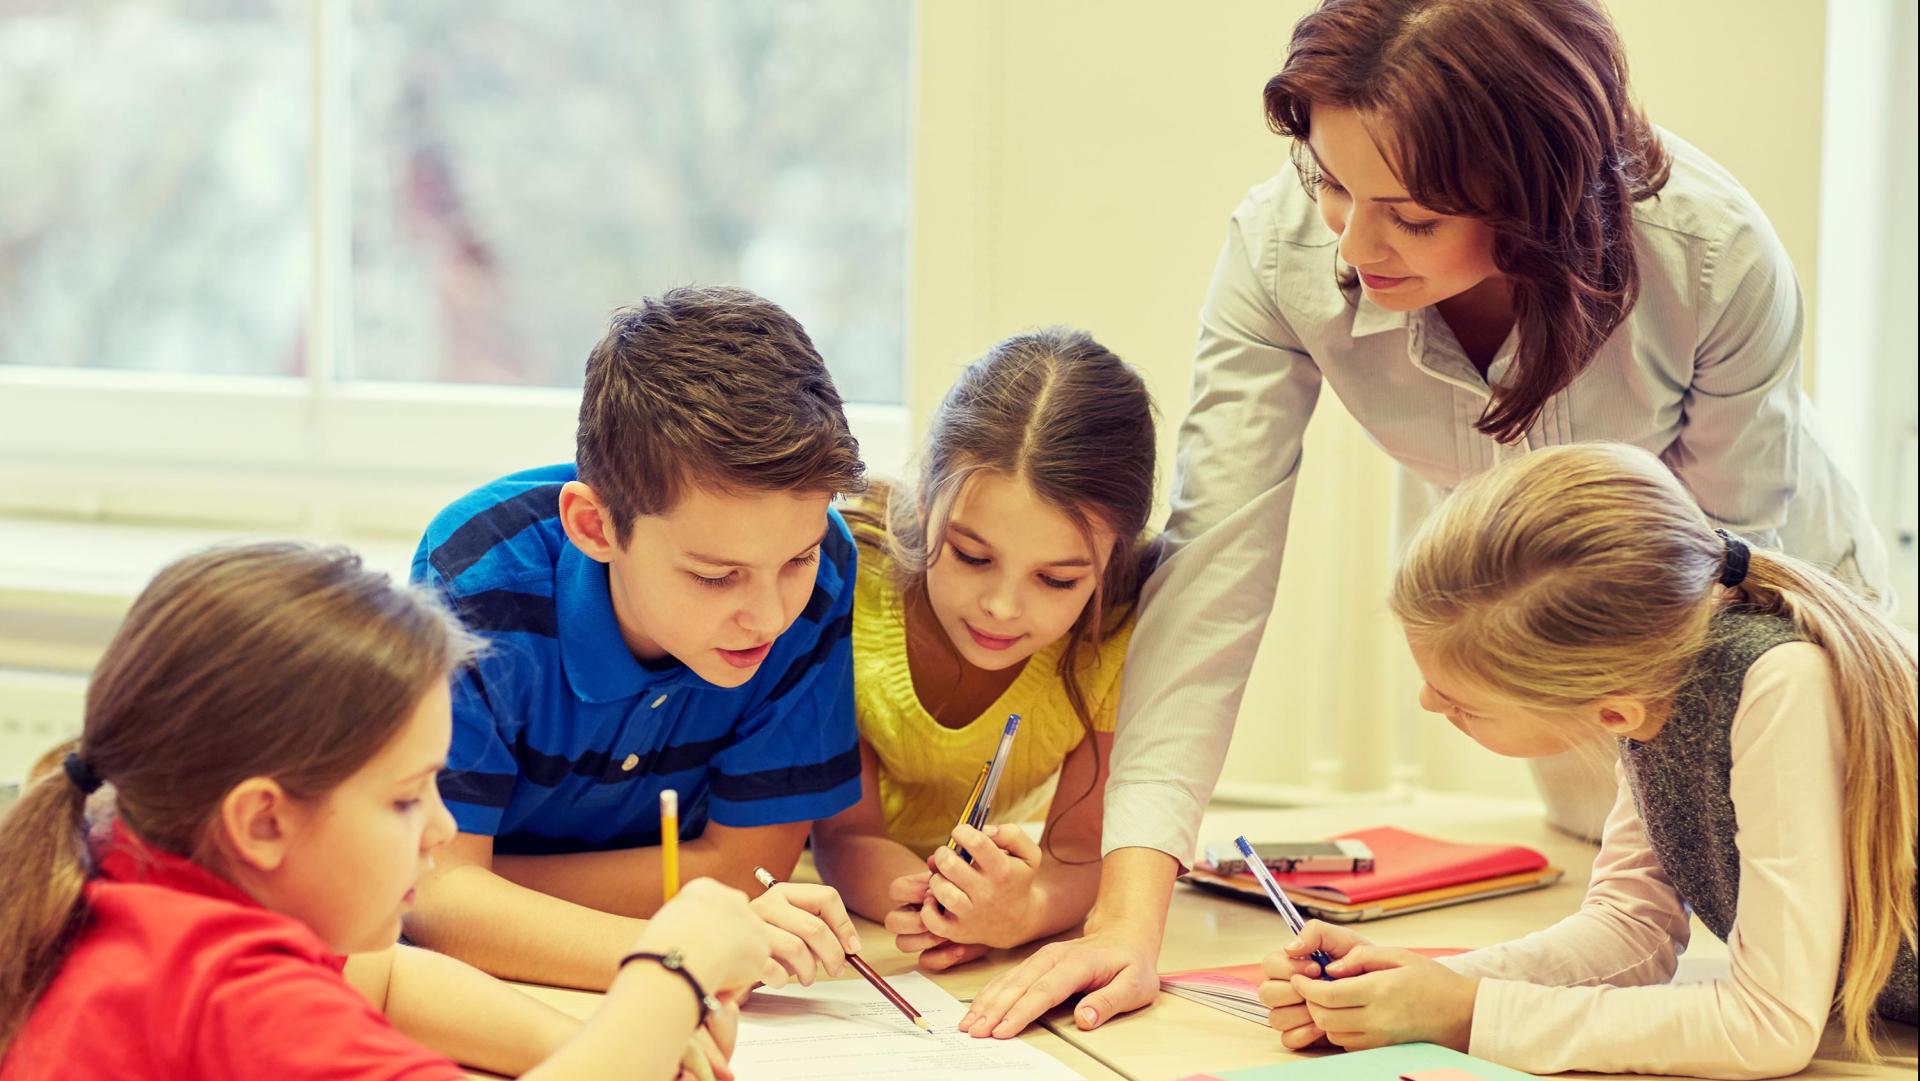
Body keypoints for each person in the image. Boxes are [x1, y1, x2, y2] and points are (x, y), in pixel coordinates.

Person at [961, 0, 1890, 1040]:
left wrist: (1463, 1013)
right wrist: (1127, 920)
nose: (1355, 248)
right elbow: (1211, 570)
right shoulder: (1282, 254)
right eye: (1329, 184)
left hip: (1749, 614)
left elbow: (1710, 610)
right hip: (1584, 654)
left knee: (1831, 956)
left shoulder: (1713, 256)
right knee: (1639, 892)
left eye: (1411, 215)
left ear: (1536, 197)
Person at [0, 542, 775, 1080]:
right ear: (263, 822)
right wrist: (667, 972)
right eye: (406, 797)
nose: (441, 827)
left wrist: (602, 1047)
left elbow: (384, 979)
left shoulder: (131, 875)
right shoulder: (238, 998)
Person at [1261, 443, 1916, 1077]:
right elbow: (1630, 928)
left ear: (1611, 712)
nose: (1430, 702)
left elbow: (1769, 1026)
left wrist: (1465, 1016)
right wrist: (1412, 989)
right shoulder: (1654, 671)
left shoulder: (1777, 685)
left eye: (1464, 703)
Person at [405, 286, 867, 991]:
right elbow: (433, 903)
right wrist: (678, 953)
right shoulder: (477, 579)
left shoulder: (825, 566)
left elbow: (744, 869)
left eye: (796, 561)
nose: (771, 617)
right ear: (595, 527)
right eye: (717, 577)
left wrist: (485, 880)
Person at [812, 328, 1159, 968]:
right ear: (925, 500)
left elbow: (1082, 852)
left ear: (1114, 558)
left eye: (1057, 579)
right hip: (819, 891)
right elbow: (844, 833)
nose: (1001, 607)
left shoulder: (1120, 631)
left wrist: (1021, 912)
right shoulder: (849, 582)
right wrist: (917, 898)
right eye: (972, 556)